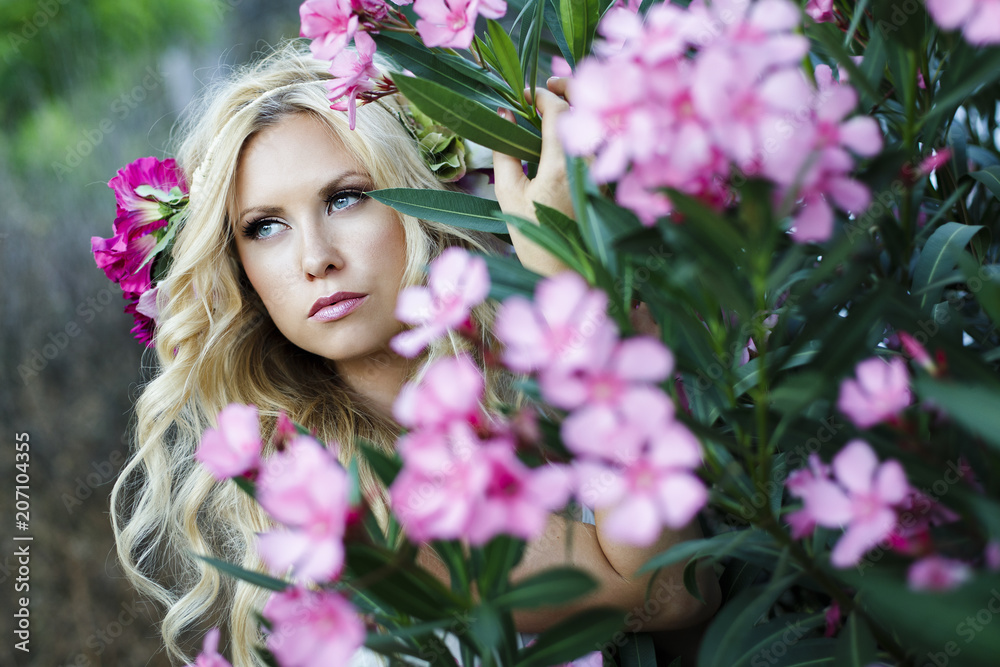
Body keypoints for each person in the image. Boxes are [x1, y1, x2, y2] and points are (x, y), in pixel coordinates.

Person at [108, 40, 720, 667]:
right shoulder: (357, 493)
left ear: (422, 202)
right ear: (240, 271)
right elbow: (670, 591)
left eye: (345, 197)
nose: (315, 257)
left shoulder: (525, 381)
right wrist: (570, 283)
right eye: (265, 226)